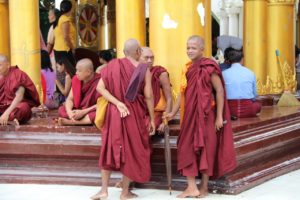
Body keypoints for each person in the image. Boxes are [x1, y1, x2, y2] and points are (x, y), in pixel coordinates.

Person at [165, 36, 237, 198]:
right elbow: (181, 94)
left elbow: (219, 91)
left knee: (206, 149)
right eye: (188, 47)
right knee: (185, 147)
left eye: (193, 48)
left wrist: (219, 117)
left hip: (207, 116)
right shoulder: (187, 68)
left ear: (202, 49)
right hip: (190, 117)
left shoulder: (208, 67)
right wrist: (172, 112)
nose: (189, 51)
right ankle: (192, 187)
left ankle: (204, 186)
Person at [91, 39, 155, 200]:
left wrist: (117, 103)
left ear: (124, 52)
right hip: (133, 113)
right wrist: (153, 119)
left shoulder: (112, 65)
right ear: (138, 52)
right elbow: (148, 96)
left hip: (114, 113)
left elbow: (99, 88)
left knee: (108, 149)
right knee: (132, 150)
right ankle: (125, 192)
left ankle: (104, 190)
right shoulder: (143, 69)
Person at [57, 58, 101, 126]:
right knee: (61, 109)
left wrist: (83, 112)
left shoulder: (100, 81)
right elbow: (70, 98)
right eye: (76, 70)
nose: (76, 73)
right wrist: (69, 112)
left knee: (101, 112)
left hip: (90, 110)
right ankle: (74, 118)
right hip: (78, 110)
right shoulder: (76, 80)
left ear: (88, 72)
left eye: (79, 71)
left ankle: (73, 122)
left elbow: (101, 104)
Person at [139, 47, 173, 132]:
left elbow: (169, 98)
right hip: (140, 112)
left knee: (147, 129)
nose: (150, 60)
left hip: (156, 113)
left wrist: (165, 121)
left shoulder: (160, 73)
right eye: (146, 57)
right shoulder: (134, 72)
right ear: (138, 57)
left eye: (152, 57)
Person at [0, 54, 40, 125]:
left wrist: (6, 113)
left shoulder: (17, 74)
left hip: (15, 108)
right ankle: (9, 121)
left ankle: (7, 119)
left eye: (0, 65)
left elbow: (19, 97)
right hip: (2, 108)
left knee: (24, 107)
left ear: (8, 65)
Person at [222, 49, 262, 118]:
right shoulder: (250, 73)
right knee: (258, 105)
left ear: (230, 60)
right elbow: (254, 95)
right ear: (242, 59)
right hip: (249, 110)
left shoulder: (223, 73)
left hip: (229, 110)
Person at [53, 0, 76, 66]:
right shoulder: (65, 20)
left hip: (58, 49)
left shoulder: (59, 18)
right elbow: (66, 37)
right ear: (70, 9)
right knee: (71, 72)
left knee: (63, 73)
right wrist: (72, 48)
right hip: (65, 49)